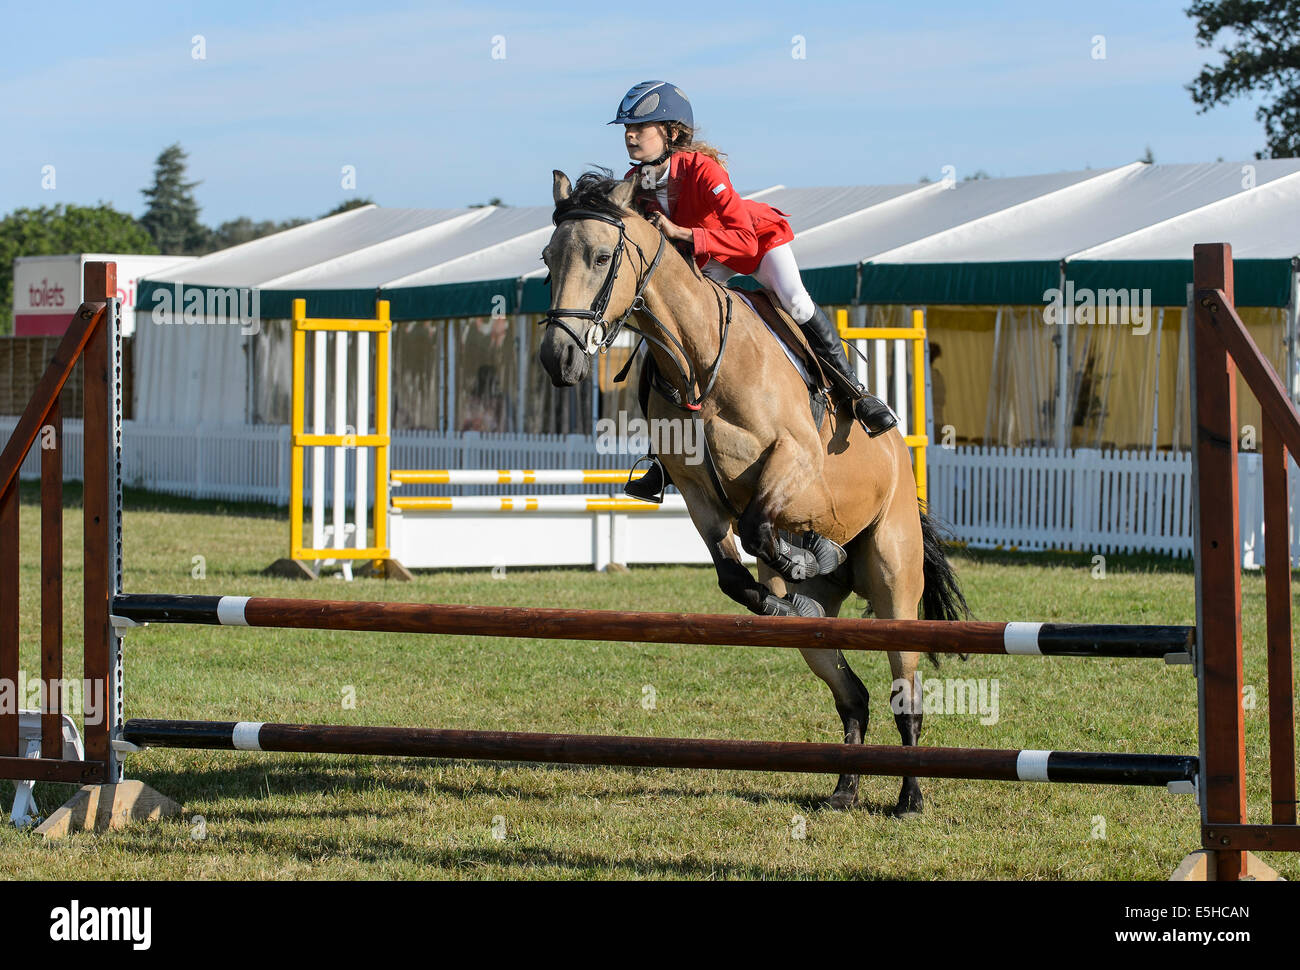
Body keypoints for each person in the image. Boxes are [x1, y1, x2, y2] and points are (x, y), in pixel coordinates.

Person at [608, 81, 898, 503]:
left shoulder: (701, 170)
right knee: (670, 336)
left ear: (671, 132)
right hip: (707, 260)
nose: (630, 135)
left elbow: (742, 239)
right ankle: (661, 457)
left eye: (641, 126)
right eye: (627, 128)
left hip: (756, 244)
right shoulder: (635, 182)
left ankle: (855, 393)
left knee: (796, 303)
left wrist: (680, 232)